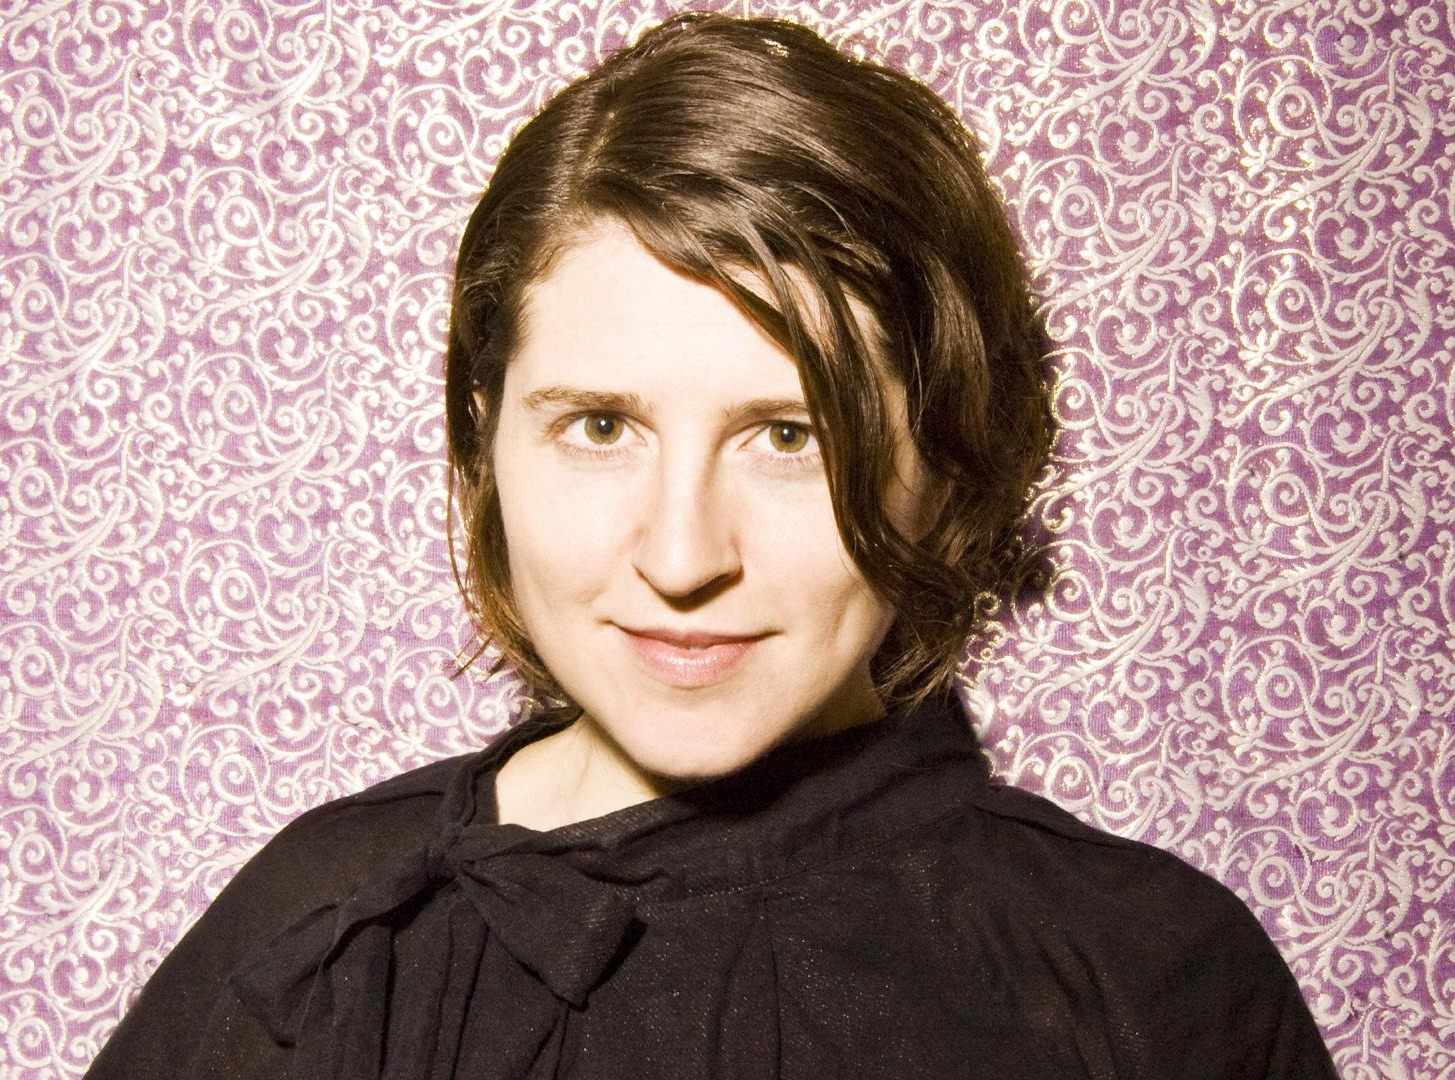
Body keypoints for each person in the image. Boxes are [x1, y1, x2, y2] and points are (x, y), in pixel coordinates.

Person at [86, 13, 1336, 1079]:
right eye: (599, 426)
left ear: (946, 463)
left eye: (790, 436)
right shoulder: (321, 939)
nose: (683, 557)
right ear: (484, 440)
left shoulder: (1154, 979)